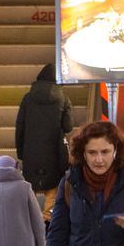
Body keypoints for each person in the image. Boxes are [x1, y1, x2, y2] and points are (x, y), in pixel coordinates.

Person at [15, 63, 74, 204]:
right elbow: (68, 127)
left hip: (30, 151)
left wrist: (21, 152)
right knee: (52, 191)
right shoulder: (63, 99)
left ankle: (32, 219)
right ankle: (49, 220)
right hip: (53, 152)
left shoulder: (27, 98)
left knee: (30, 190)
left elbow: (20, 127)